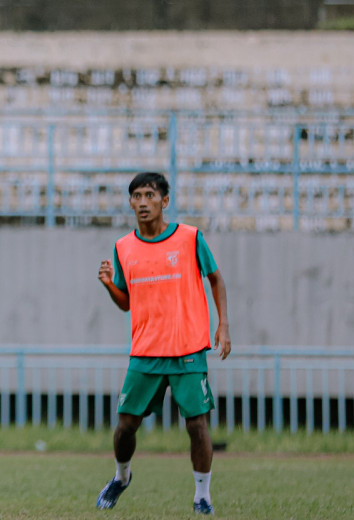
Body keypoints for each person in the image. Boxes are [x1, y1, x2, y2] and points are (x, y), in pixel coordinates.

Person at [96, 172, 232, 516]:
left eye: (149, 195)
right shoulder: (123, 247)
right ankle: (121, 477)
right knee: (126, 424)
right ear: (130, 202)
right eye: (136, 196)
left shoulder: (190, 237)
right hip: (145, 351)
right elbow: (126, 302)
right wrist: (109, 285)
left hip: (188, 349)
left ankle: (202, 495)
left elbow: (215, 279)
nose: (142, 202)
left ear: (164, 201)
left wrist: (224, 325)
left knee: (196, 424)